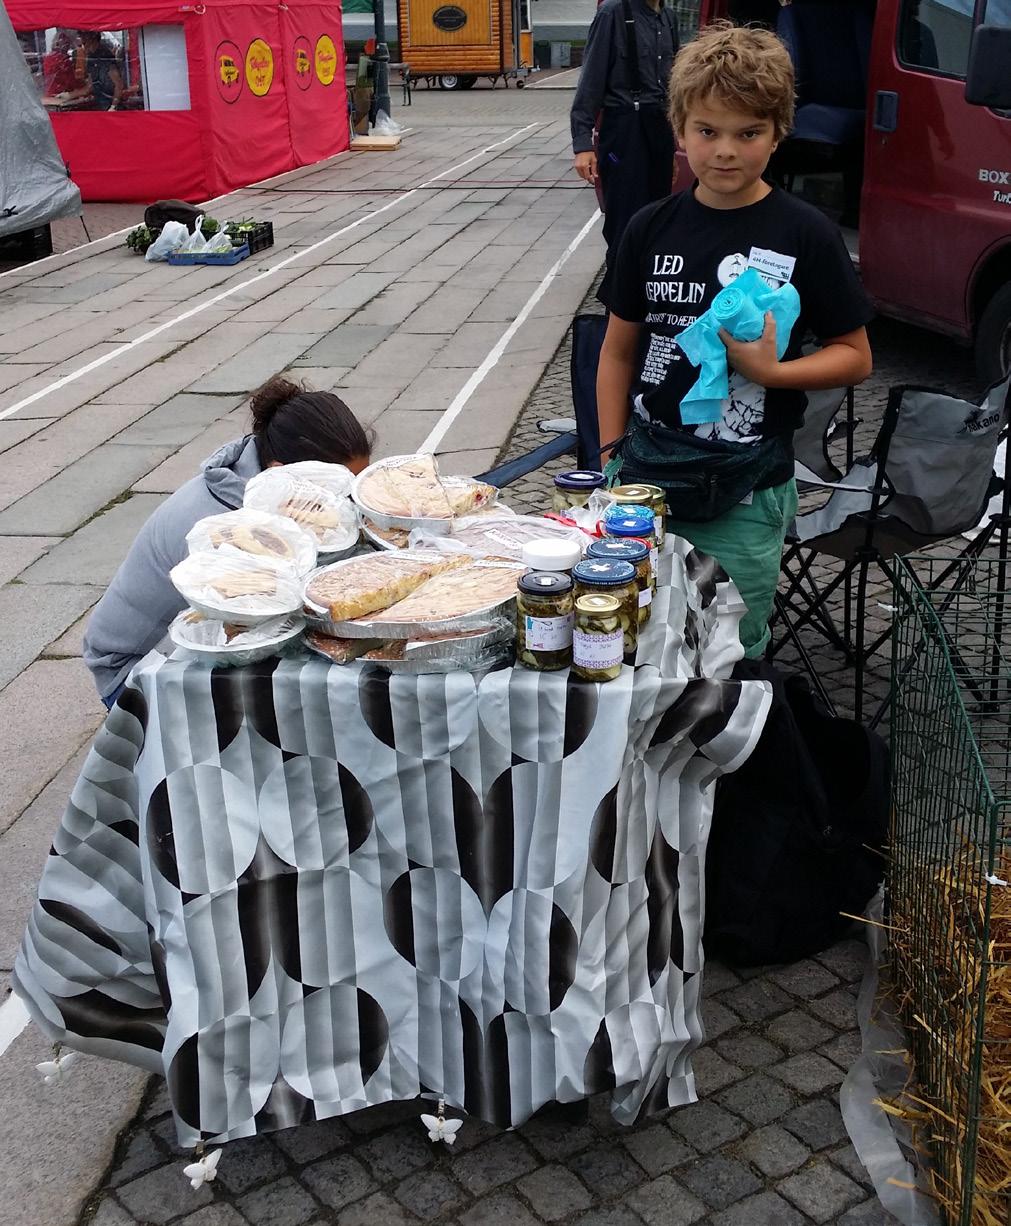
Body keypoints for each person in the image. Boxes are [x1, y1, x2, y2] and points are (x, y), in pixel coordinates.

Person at [596, 21, 873, 657]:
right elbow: (617, 351)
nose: (726, 150)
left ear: (778, 134)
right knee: (634, 641)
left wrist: (773, 374)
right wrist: (610, 453)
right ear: (680, 130)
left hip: (745, 492)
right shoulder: (649, 228)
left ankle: (731, 756)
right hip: (645, 479)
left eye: (748, 133)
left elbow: (855, 356)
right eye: (708, 131)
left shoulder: (805, 233)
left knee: (728, 652)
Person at [83, 378, 374, 708]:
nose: (346, 503)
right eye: (338, 492)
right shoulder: (220, 527)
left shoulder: (265, 478)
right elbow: (259, 622)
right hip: (134, 672)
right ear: (280, 473)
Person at [570, 0, 679, 299]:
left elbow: (675, 86)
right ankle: (618, 302)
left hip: (659, 125)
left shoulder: (668, 17)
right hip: (623, 129)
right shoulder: (612, 13)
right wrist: (583, 144)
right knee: (625, 219)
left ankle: (648, 296)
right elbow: (590, 80)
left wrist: (673, 148)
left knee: (658, 216)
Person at [79, 29, 124, 110]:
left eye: (84, 41)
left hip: (110, 103)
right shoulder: (90, 58)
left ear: (92, 38)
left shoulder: (105, 55)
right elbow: (89, 87)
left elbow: (118, 84)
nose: (82, 45)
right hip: (99, 103)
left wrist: (113, 106)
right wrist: (69, 95)